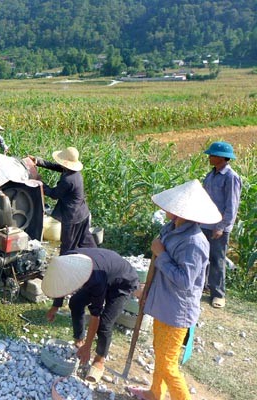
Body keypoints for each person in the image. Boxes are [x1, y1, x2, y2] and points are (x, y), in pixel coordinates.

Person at [127, 179, 221, 400]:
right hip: (164, 303)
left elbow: (184, 280)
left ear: (182, 211)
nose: (166, 208)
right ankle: (154, 393)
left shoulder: (194, 242)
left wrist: (161, 254)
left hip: (177, 310)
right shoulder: (172, 228)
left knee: (168, 364)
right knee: (160, 353)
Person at [42, 248, 139, 383]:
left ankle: (100, 359)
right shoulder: (64, 260)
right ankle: (79, 339)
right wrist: (55, 306)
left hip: (122, 282)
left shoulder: (95, 280)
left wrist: (88, 347)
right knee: (76, 302)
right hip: (105, 270)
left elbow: (95, 316)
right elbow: (62, 283)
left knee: (105, 323)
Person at [29, 147, 96, 255]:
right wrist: (39, 161)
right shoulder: (74, 172)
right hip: (83, 214)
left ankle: (65, 264)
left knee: (67, 245)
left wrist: (39, 183)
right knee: (85, 241)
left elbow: (54, 194)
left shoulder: (68, 180)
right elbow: (56, 166)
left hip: (72, 217)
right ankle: (98, 257)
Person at [200, 141, 242, 309]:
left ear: (221, 158)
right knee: (202, 257)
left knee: (217, 260)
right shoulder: (210, 175)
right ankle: (204, 286)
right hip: (204, 223)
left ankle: (218, 295)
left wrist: (221, 226)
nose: (209, 157)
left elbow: (232, 206)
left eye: (212, 155)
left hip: (218, 227)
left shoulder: (231, 177)